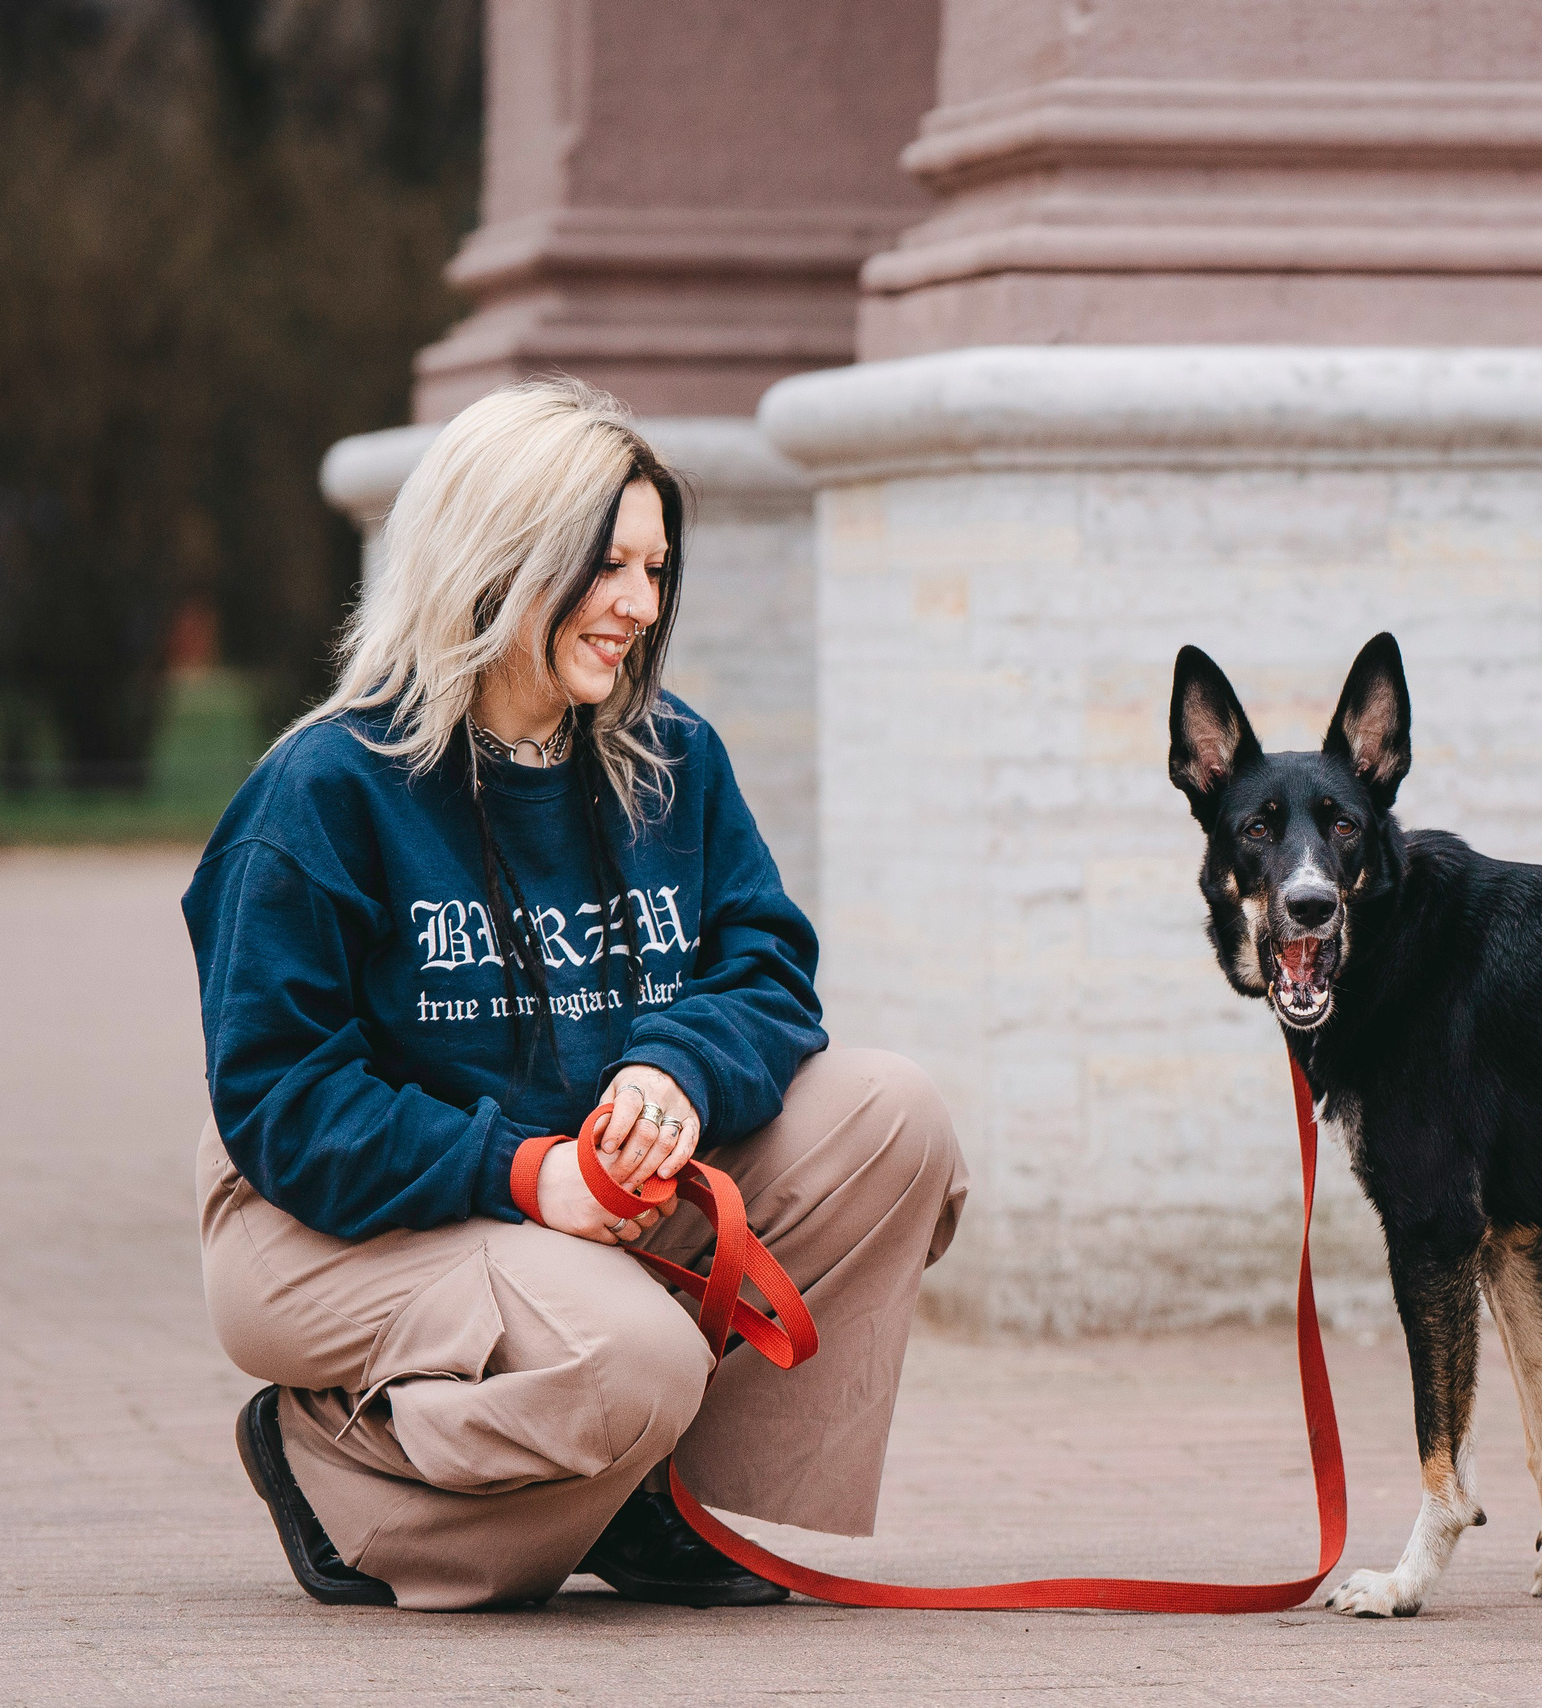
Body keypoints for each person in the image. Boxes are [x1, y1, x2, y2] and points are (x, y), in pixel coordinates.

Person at [185, 378, 967, 1612]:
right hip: (332, 1216)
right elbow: (282, 1095)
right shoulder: (325, 790)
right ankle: (337, 1462)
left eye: (655, 570)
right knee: (632, 1359)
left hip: (574, 1193)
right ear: (505, 556)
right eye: (607, 566)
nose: (640, 606)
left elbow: (762, 964)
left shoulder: (672, 756)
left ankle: (666, 1505)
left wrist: (674, 1070)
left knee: (896, 1114)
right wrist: (527, 1172)